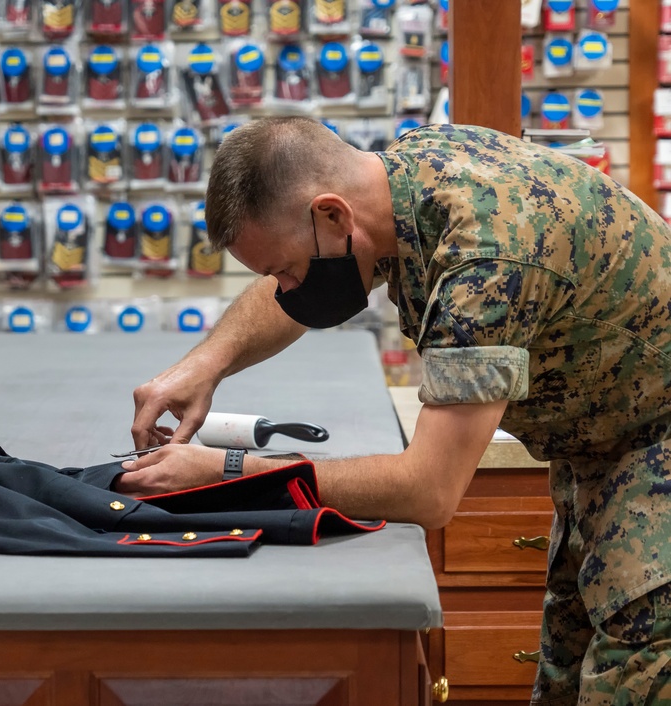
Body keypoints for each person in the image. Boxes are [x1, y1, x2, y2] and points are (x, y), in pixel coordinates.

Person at [115, 117, 671, 704]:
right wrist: (205, 365)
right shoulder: (399, 182)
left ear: (332, 215)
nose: (284, 286)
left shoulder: (487, 260)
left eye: (284, 269)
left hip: (652, 463)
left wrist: (224, 472)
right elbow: (305, 288)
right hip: (600, 454)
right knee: (565, 679)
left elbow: (428, 492)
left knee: (633, 679)